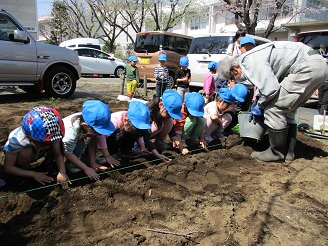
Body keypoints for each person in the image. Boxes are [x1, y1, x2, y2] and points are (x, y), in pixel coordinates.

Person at [218, 41, 328, 162]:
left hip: (306, 67)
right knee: (286, 109)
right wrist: (259, 102)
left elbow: (271, 89)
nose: (236, 81)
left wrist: (260, 106)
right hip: (318, 65)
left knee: (273, 109)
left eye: (233, 79)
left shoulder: (249, 62)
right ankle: (288, 152)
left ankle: (276, 153)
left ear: (234, 70)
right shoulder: (251, 60)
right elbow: (267, 84)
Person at [3, 106, 71, 189]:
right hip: (20, 156)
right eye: (44, 143)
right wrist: (33, 174)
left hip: (37, 152)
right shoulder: (17, 141)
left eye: (49, 143)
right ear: (31, 138)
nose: (47, 146)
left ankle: (48, 164)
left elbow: (58, 154)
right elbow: (8, 167)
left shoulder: (51, 133)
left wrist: (62, 172)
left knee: (57, 143)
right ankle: (22, 172)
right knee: (25, 152)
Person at [101, 101, 171, 162]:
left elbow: (141, 134)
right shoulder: (114, 122)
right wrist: (107, 156)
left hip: (123, 131)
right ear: (126, 120)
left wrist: (142, 146)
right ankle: (112, 153)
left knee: (134, 131)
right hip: (107, 137)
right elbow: (101, 137)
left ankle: (126, 151)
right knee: (123, 133)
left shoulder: (134, 122)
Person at [62, 100, 115, 180]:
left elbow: (92, 142)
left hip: (76, 138)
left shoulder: (88, 123)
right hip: (59, 143)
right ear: (85, 126)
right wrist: (86, 168)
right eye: (98, 131)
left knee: (88, 139)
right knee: (81, 143)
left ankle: (84, 161)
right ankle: (70, 165)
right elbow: (67, 153)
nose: (100, 134)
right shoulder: (71, 132)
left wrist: (93, 163)